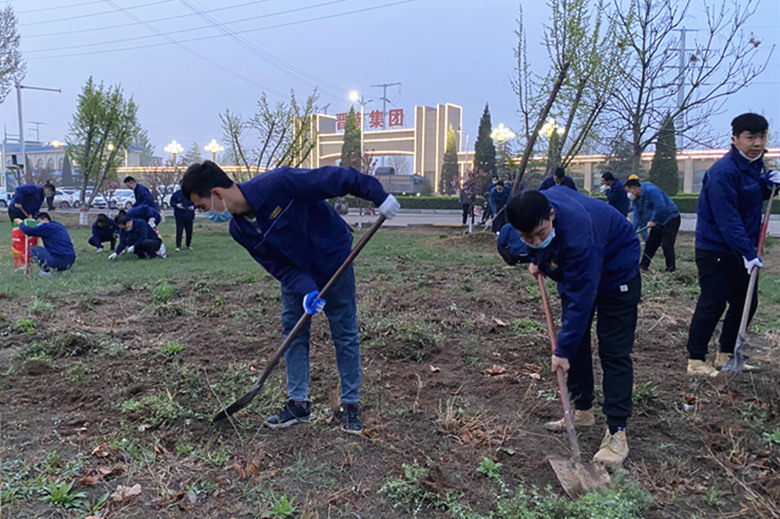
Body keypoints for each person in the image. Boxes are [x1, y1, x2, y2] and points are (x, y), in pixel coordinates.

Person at [181, 160, 400, 435]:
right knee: (293, 332)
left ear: (216, 194)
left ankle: (350, 405)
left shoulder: (278, 184)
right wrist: (307, 288)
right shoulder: (240, 230)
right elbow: (277, 266)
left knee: (344, 331)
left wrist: (378, 194)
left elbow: (337, 178)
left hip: (333, 259)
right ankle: (299, 403)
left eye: (202, 207)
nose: (205, 214)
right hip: (297, 276)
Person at [507, 188, 641, 465]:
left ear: (552, 215)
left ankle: (617, 433)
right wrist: (537, 258)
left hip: (617, 267)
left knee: (613, 349)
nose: (535, 240)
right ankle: (582, 410)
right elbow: (538, 244)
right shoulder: (535, 208)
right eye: (527, 237)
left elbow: (581, 298)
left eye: (542, 234)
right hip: (581, 267)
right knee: (576, 340)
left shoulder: (579, 237)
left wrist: (562, 351)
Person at [685, 113, 779, 377]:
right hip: (716, 248)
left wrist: (767, 185)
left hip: (742, 247)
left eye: (762, 136)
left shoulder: (754, 166)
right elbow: (728, 219)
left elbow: (748, 196)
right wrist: (748, 253)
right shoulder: (722, 172)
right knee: (713, 302)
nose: (757, 143)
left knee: (745, 302)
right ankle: (695, 359)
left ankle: (726, 354)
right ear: (735, 139)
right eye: (751, 138)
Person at [624, 179, 681, 272]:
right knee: (651, 243)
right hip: (656, 221)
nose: (628, 194)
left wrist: (654, 220)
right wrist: (632, 232)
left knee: (667, 244)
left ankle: (670, 268)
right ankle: (643, 266)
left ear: (634, 189)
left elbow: (660, 207)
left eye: (628, 192)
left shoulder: (652, 191)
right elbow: (637, 216)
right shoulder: (636, 199)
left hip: (670, 218)